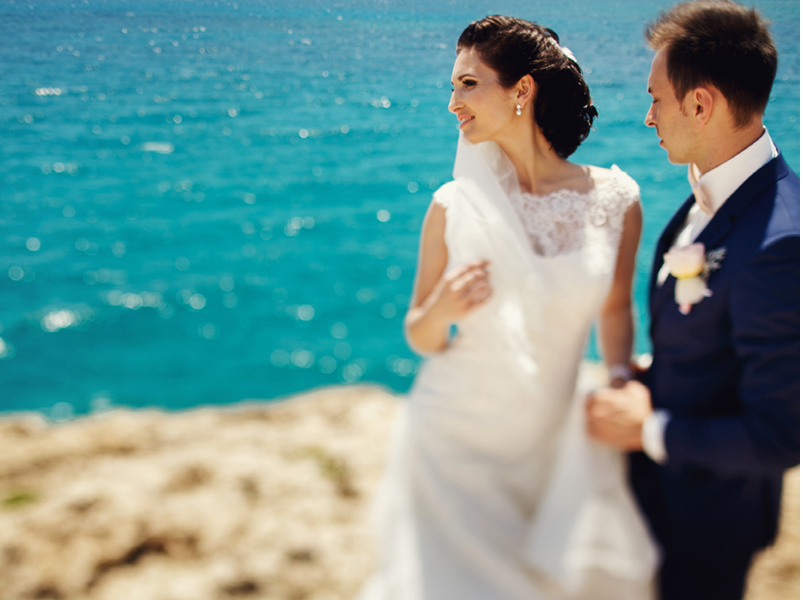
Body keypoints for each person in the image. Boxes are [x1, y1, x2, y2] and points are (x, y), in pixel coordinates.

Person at [358, 16, 658, 600]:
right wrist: (442, 307)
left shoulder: (617, 200)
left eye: (468, 84)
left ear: (522, 90)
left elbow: (616, 308)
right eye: (453, 87)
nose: (453, 103)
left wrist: (620, 376)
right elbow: (420, 335)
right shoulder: (451, 206)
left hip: (555, 441)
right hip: (453, 442)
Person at [586, 2, 800, 599]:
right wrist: (659, 371)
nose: (649, 116)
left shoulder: (781, 243)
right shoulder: (714, 192)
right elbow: (720, 337)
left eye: (656, 99)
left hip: (711, 522)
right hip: (662, 496)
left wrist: (648, 429)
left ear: (700, 105)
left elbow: (782, 435)